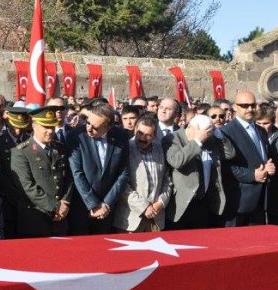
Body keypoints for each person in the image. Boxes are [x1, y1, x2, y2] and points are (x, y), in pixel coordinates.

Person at [66, 102, 130, 235]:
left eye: (95, 127)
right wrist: (94, 204)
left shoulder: (121, 136)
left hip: (107, 209)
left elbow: (123, 173)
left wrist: (106, 203)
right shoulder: (76, 135)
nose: (89, 129)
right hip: (82, 207)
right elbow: (77, 172)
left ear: (109, 127)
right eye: (88, 123)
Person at [10, 106, 72, 238]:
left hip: (61, 218)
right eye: (46, 127)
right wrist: (55, 207)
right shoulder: (21, 152)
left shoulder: (60, 147)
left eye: (53, 127)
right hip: (35, 219)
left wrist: (65, 202)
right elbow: (27, 186)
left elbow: (68, 178)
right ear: (34, 126)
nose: (50, 131)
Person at [220, 91, 276, 226]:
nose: (250, 109)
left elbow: (264, 157)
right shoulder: (226, 132)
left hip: (261, 199)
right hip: (239, 200)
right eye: (244, 105)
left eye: (253, 105)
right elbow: (224, 166)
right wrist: (252, 175)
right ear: (234, 107)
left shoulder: (260, 130)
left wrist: (269, 167)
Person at [165, 114, 229, 229]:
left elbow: (229, 154)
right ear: (191, 127)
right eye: (205, 132)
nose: (207, 136)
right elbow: (176, 161)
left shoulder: (210, 140)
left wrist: (219, 134)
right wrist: (198, 141)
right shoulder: (173, 138)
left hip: (204, 201)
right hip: (182, 203)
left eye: (209, 132)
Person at [113, 115, 171, 232]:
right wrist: (144, 207)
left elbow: (167, 179)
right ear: (135, 129)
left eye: (148, 135)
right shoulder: (125, 149)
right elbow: (121, 184)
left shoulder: (160, 149)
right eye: (140, 133)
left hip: (156, 217)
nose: (143, 138)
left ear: (154, 135)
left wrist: (161, 202)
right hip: (131, 219)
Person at [0, 106, 33, 238]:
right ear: (8, 122)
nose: (18, 131)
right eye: (14, 126)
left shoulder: (31, 142)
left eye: (21, 127)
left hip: (29, 200)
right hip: (7, 199)